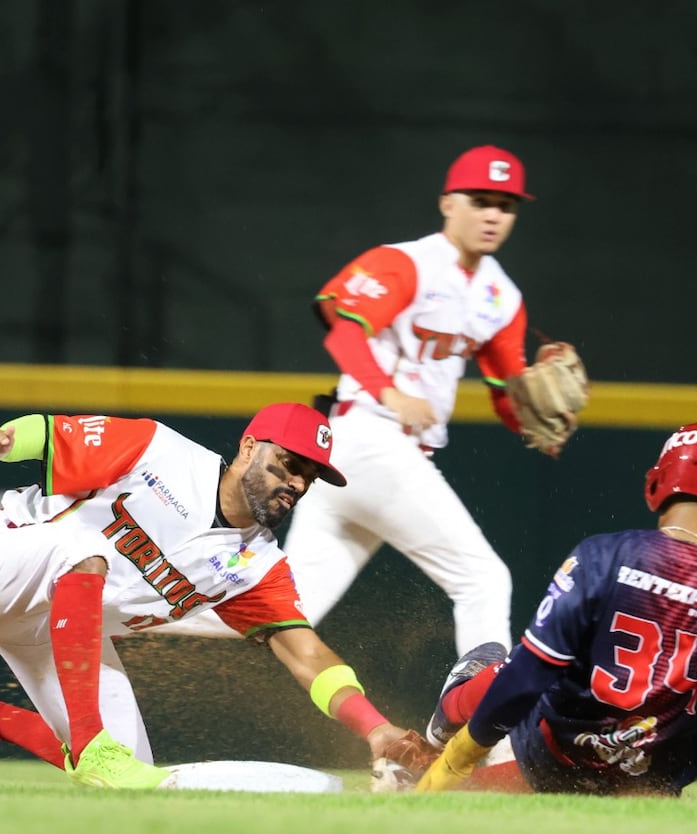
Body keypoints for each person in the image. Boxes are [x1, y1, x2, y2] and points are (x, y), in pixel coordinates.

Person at [150, 144, 557, 662]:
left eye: (506, 205)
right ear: (448, 203)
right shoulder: (406, 263)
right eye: (480, 200)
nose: (493, 215)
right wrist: (391, 393)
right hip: (370, 437)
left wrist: (535, 424)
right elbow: (344, 332)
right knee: (482, 577)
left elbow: (507, 392)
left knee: (288, 609)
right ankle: (480, 729)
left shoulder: (502, 297)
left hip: (363, 461)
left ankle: (121, 611)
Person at [0, 403, 428, 789]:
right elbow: (53, 434)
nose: (294, 482)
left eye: (308, 476)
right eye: (287, 463)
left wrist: (375, 729)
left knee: (128, 778)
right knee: (85, 548)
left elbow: (307, 657)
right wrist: (6, 442)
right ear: (249, 447)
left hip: (55, 623)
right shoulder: (159, 451)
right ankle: (93, 744)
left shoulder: (257, 567)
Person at [416, 422, 697, 796]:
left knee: (521, 661)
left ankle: (445, 725)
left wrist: (458, 757)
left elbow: (531, 673)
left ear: (659, 481)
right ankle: (450, 727)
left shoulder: (603, 556)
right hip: (649, 776)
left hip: (552, 752)